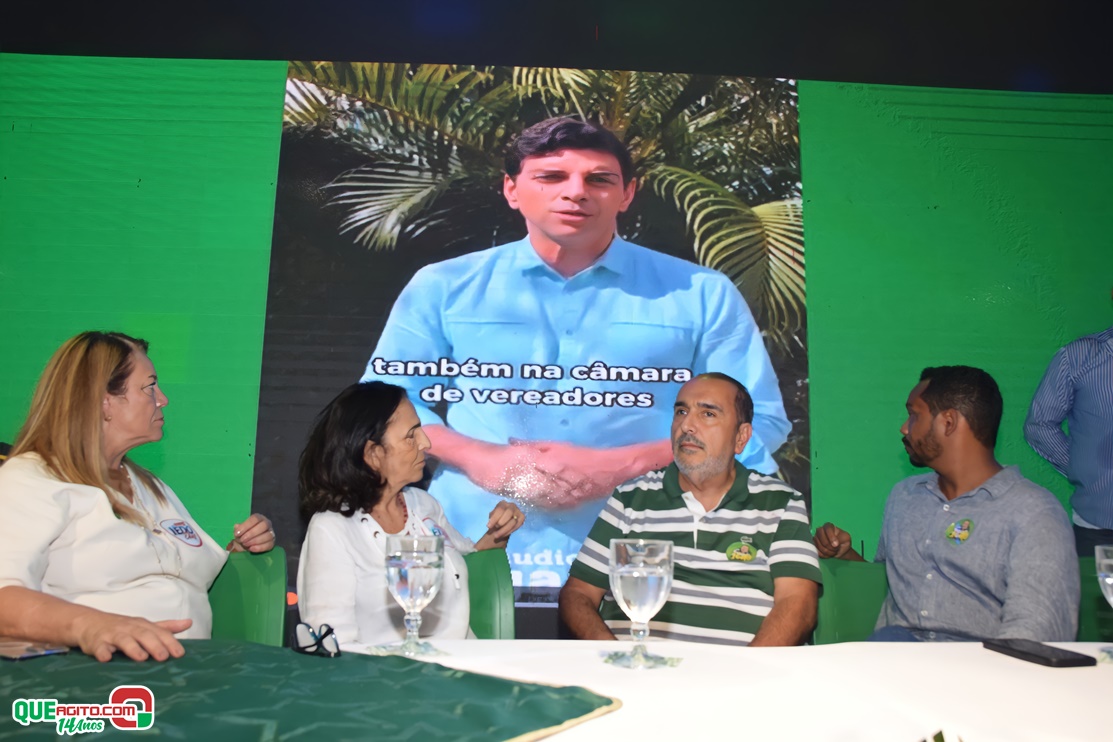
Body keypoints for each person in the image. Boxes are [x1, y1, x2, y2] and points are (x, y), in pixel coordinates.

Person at [361, 117, 790, 586]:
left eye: (599, 179)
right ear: (511, 189)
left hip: (649, 558)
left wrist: (625, 465)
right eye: (551, 177)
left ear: (627, 193)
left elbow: (759, 420)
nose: (576, 192)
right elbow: (382, 406)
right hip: (472, 550)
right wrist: (482, 457)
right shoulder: (442, 286)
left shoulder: (701, 293)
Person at [0, 331, 275, 662]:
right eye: (149, 387)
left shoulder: (151, 486)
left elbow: (184, 576)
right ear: (104, 401)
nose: (163, 399)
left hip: (186, 673)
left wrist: (243, 546)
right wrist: (91, 626)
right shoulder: (30, 478)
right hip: (91, 679)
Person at [815, 365, 1079, 642]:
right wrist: (845, 555)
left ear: (949, 422)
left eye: (914, 415)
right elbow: (892, 583)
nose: (904, 427)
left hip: (984, 662)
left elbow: (1036, 630)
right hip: (895, 654)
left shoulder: (1034, 512)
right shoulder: (905, 496)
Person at [558, 373, 819, 646]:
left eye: (708, 414)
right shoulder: (631, 497)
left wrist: (745, 668)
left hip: (738, 669)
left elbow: (798, 603)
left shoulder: (780, 502)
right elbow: (578, 594)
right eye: (681, 412)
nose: (687, 425)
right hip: (638, 667)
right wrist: (617, 658)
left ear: (741, 437)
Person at [296, 382, 525, 648]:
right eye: (411, 436)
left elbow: (473, 559)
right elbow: (331, 641)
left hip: (460, 664)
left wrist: (501, 529)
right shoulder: (332, 528)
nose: (426, 443)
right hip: (381, 672)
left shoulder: (424, 505)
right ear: (373, 454)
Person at [1024, 325, 1113, 555]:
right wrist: (1085, 470)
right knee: (1099, 582)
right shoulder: (1080, 357)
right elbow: (1040, 425)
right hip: (1101, 529)